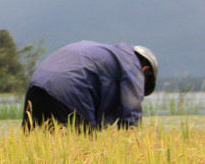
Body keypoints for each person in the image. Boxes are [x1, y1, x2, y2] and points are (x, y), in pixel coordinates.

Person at [22, 41, 158, 131]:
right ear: (145, 70)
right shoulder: (132, 65)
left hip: (38, 84)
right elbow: (131, 115)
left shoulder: (113, 57)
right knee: (83, 149)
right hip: (71, 89)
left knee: (36, 142)